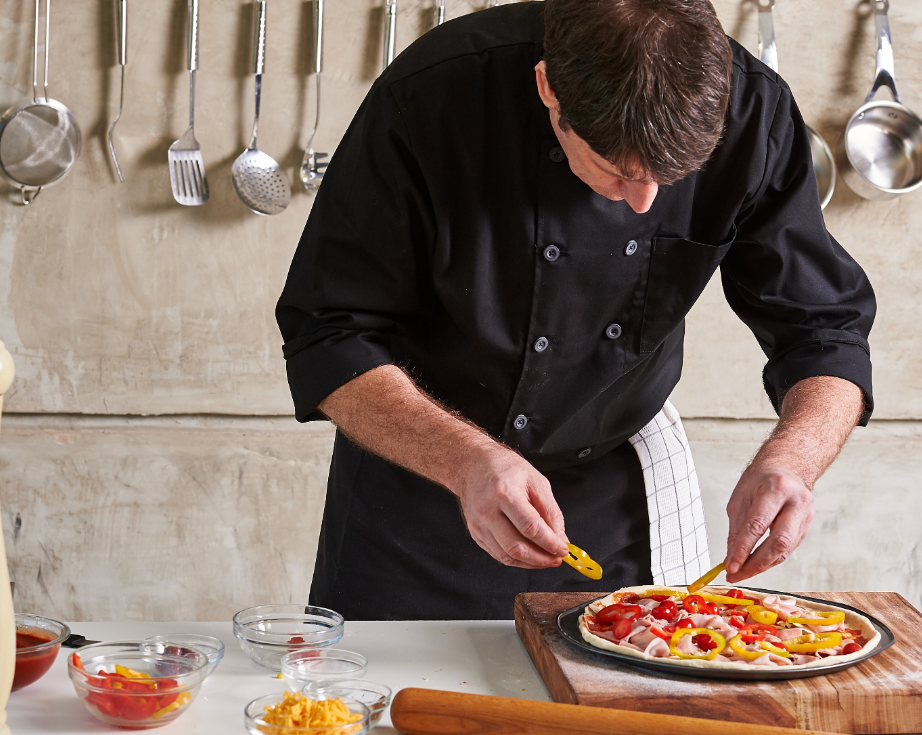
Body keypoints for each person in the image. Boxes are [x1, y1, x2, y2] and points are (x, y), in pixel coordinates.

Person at [276, 0, 875, 620]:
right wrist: (467, 462)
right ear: (548, 90)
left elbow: (825, 327)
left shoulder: (755, 112)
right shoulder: (431, 97)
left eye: (673, 179)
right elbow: (329, 331)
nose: (645, 204)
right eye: (618, 172)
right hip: (419, 492)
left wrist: (792, 463)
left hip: (611, 501)